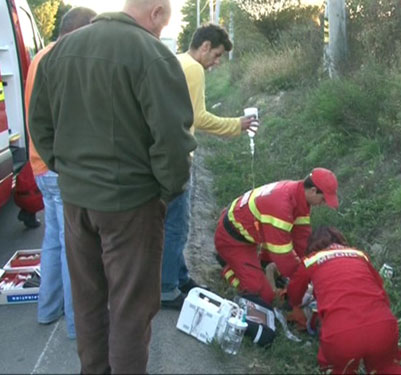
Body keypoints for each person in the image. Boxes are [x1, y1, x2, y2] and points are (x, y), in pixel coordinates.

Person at [29, 0, 197, 373]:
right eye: (161, 24)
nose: (158, 32)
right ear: (155, 13)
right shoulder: (152, 54)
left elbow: (38, 124)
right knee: (130, 310)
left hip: (76, 200)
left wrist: (68, 170)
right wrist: (166, 192)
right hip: (132, 204)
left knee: (88, 302)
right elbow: (172, 140)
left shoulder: (59, 52)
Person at [161, 23, 257, 308]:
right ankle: (167, 289)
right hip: (176, 158)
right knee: (177, 226)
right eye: (216, 55)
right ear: (204, 46)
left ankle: (179, 277)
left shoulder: (176, 60)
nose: (216, 63)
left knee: (172, 223)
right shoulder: (192, 68)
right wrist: (236, 125)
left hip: (162, 156)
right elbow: (198, 118)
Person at [25, 6, 97, 340]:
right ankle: (77, 326)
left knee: (54, 241)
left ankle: (47, 309)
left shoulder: (40, 56)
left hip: (40, 163)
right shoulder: (69, 58)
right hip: (62, 165)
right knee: (75, 248)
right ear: (80, 30)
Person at [287, 226, 401, 374]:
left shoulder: (311, 261)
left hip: (342, 335)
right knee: (387, 367)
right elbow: (380, 289)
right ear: (340, 240)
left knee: (340, 369)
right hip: (382, 325)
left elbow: (294, 293)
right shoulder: (359, 255)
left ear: (312, 246)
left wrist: (294, 304)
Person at [214, 167, 339, 305]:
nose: (323, 204)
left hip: (250, 230)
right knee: (263, 295)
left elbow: (302, 239)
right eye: (323, 199)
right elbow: (283, 255)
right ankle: (227, 267)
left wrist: (311, 267)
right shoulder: (282, 207)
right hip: (232, 240)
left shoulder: (298, 196)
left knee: (277, 251)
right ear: (313, 191)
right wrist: (301, 280)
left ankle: (260, 264)